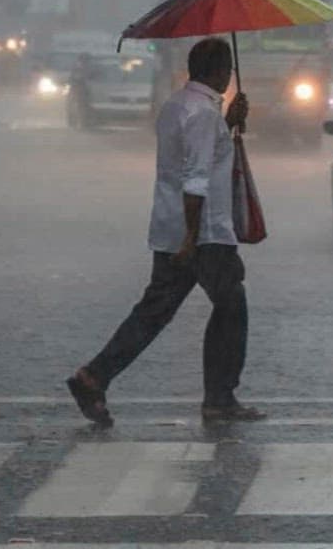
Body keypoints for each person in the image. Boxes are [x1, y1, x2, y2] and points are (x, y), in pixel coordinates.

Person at [66, 37, 263, 427]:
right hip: (204, 233)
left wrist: (229, 124)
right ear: (221, 70)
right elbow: (196, 179)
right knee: (231, 305)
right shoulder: (204, 114)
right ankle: (220, 398)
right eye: (228, 71)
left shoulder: (177, 106)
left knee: (154, 312)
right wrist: (192, 239)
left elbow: (194, 157)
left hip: (172, 227)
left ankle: (94, 376)